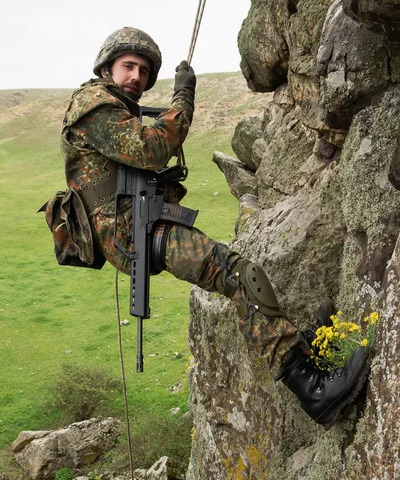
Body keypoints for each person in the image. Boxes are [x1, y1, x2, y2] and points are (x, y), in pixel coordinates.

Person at [58, 26, 369, 429]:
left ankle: (303, 353)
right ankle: (313, 389)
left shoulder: (115, 107)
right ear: (107, 68)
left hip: (139, 223)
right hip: (130, 232)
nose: (136, 76)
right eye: (128, 66)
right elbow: (152, 148)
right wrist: (183, 97)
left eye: (143, 71)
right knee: (241, 274)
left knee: (238, 272)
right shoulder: (93, 103)